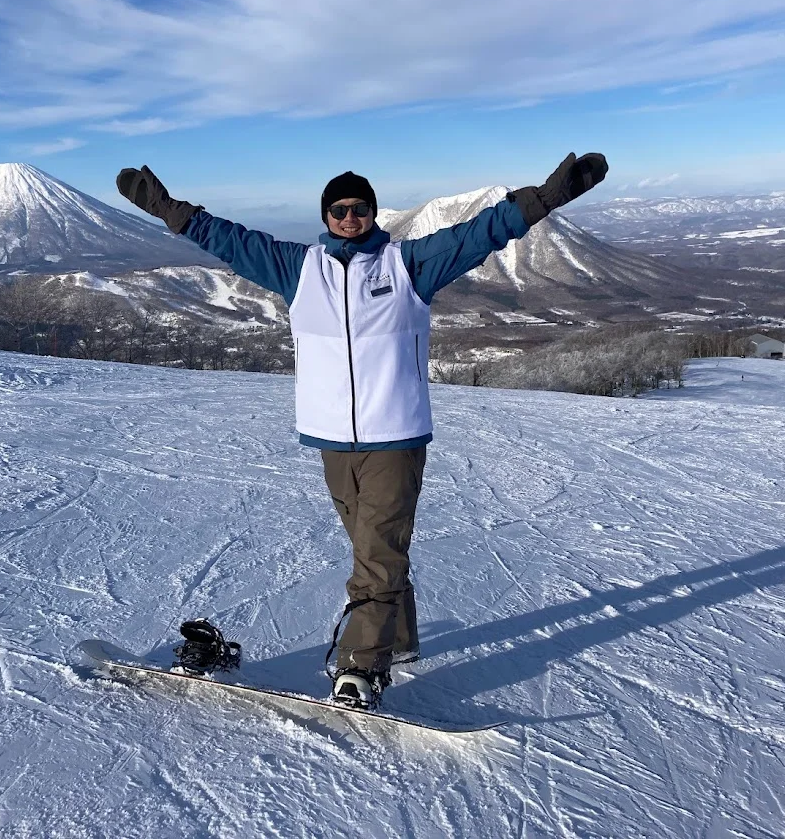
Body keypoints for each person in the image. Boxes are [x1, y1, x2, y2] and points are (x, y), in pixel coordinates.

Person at [116, 153, 608, 708]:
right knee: (375, 547)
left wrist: (546, 197)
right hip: (331, 439)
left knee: (375, 557)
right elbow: (226, 238)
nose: (350, 217)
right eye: (339, 209)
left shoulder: (408, 266)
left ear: (374, 213)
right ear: (325, 216)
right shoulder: (299, 269)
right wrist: (163, 206)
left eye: (361, 209)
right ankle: (397, 641)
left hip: (394, 438)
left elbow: (481, 233)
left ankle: (359, 668)